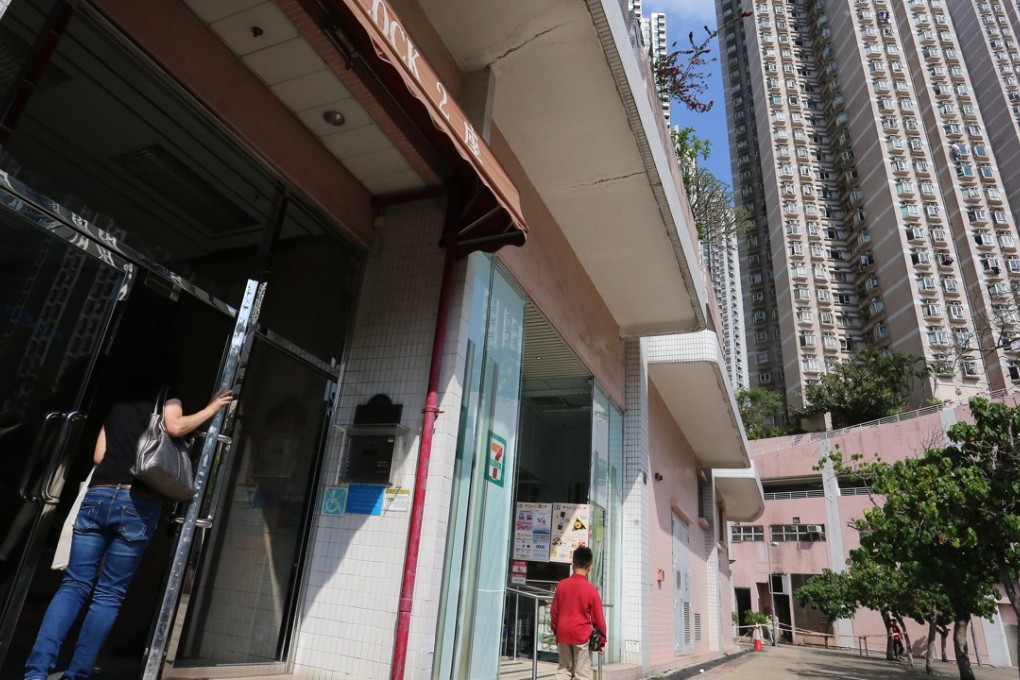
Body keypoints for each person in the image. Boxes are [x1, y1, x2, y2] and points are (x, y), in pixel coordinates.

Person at [24, 379, 231, 680]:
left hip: (98, 495)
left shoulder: (118, 408)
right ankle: (76, 675)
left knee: (73, 586)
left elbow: (98, 456)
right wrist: (212, 408)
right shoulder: (167, 395)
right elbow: (175, 427)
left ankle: (35, 673)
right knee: (108, 595)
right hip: (136, 501)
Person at [550, 546, 607, 680]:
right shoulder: (591, 590)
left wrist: (555, 631)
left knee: (564, 669)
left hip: (563, 633)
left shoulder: (562, 585)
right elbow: (599, 619)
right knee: (582, 674)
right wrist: (602, 642)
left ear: (572, 564)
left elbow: (554, 612)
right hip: (581, 635)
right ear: (590, 568)